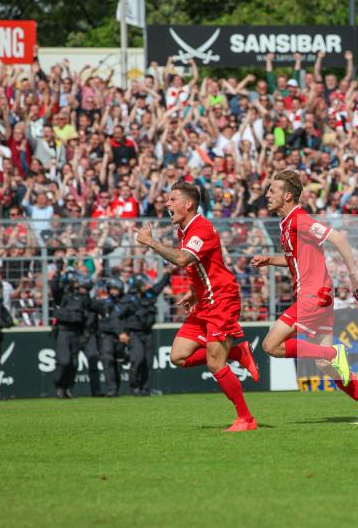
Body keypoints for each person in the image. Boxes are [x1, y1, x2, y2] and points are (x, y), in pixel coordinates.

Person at [250, 169, 358, 425]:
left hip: (313, 295)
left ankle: (334, 352)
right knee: (324, 365)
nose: (267, 195)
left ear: (287, 195)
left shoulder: (299, 219)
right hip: (321, 295)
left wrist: (356, 277)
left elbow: (339, 238)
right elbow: (296, 260)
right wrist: (269, 260)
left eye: (273, 191)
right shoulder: (287, 223)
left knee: (271, 345)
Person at [135, 181, 260, 432]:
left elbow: (183, 259)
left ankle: (246, 419)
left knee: (215, 364)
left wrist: (151, 242)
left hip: (222, 300)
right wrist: (194, 292)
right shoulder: (185, 230)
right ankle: (238, 353)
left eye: (172, 200)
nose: (167, 204)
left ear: (188, 204)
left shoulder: (200, 228)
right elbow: (203, 266)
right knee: (178, 357)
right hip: (205, 301)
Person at [124, 272, 172, 396]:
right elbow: (120, 317)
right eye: (144, 284)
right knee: (137, 359)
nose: (147, 286)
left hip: (148, 332)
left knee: (148, 362)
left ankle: (145, 389)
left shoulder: (149, 294)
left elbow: (160, 286)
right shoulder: (128, 299)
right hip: (135, 334)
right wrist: (122, 333)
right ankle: (134, 387)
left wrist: (168, 273)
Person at [50, 270, 95, 398]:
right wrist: (58, 274)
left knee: (74, 363)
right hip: (64, 331)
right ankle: (59, 386)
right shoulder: (63, 296)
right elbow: (55, 288)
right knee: (64, 361)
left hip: (76, 331)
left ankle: (69, 388)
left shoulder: (82, 297)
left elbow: (90, 304)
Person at [95, 277, 132, 398]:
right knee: (107, 360)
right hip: (108, 335)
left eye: (115, 288)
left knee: (118, 363)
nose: (113, 291)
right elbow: (107, 321)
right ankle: (111, 388)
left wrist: (125, 333)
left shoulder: (126, 302)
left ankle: (116, 388)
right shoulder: (104, 302)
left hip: (122, 337)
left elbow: (126, 319)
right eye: (111, 288)